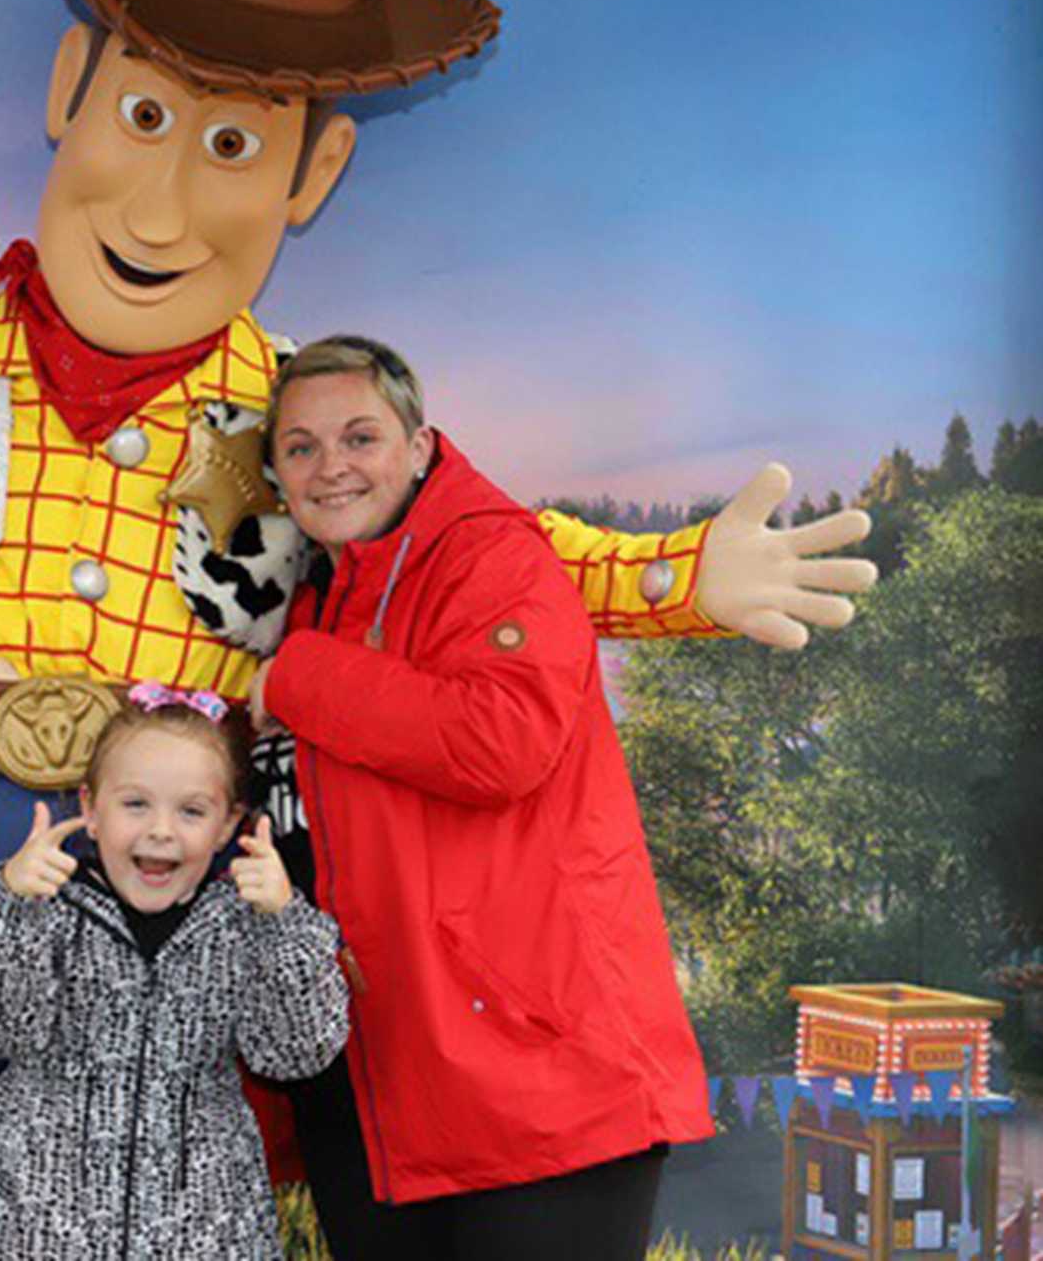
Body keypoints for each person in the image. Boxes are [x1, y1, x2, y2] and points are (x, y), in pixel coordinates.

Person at [0, 0, 877, 1252]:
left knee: (159, 1178)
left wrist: (680, 575)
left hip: (176, 848)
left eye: (231, 147)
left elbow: (471, 550)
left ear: (312, 174)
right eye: (142, 118)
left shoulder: (277, 417)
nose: (163, 212)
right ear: (70, 86)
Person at [252, 337, 715, 1259]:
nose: (329, 466)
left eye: (359, 436)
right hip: (383, 1081)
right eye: (299, 447)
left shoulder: (490, 555)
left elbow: (494, 742)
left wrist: (294, 679)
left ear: (419, 445)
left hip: (533, 1084)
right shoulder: (318, 593)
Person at [0, 692, 347, 1261]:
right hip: (32, 1220)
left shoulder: (245, 921)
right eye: (135, 804)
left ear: (230, 822)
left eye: (192, 811)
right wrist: (12, 908)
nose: (161, 831)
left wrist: (284, 928)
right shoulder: (48, 906)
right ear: (90, 806)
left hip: (203, 1223)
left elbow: (294, 1054)